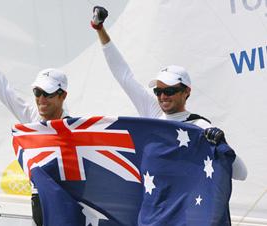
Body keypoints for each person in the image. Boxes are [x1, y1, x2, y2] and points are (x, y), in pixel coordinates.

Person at [90, 6, 247, 181]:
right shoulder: (153, 112)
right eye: (158, 91)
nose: (163, 96)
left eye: (170, 91)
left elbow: (241, 174)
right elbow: (123, 75)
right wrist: (100, 29)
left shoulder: (200, 126)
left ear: (186, 92)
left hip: (184, 206)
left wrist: (221, 144)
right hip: (156, 204)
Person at [0, 26, 68, 226]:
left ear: (63, 96)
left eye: (48, 93)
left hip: (67, 202)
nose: (41, 99)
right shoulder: (32, 117)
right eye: (37, 93)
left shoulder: (76, 128)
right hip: (40, 201)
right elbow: (0, 85)